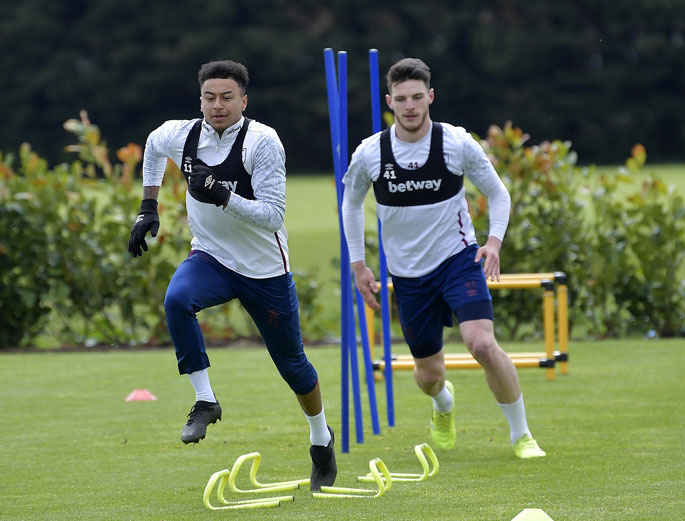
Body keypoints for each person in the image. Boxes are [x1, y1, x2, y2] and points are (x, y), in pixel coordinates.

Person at [128, 60, 337, 489]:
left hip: (264, 270)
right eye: (209, 97)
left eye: (227, 97)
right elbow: (151, 145)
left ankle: (320, 439)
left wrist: (223, 195)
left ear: (244, 100)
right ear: (200, 99)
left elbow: (273, 215)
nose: (217, 105)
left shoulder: (262, 143)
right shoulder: (182, 134)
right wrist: (148, 206)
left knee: (294, 367)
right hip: (212, 258)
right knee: (176, 300)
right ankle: (205, 401)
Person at [341, 57, 545, 459]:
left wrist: (494, 243)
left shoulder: (456, 143)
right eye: (402, 99)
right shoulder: (371, 153)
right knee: (430, 376)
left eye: (418, 97)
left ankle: (522, 436)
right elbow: (350, 205)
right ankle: (443, 403)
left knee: (482, 345)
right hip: (408, 275)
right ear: (390, 102)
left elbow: (498, 193)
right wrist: (359, 265)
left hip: (458, 260)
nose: (411, 106)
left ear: (430, 96)